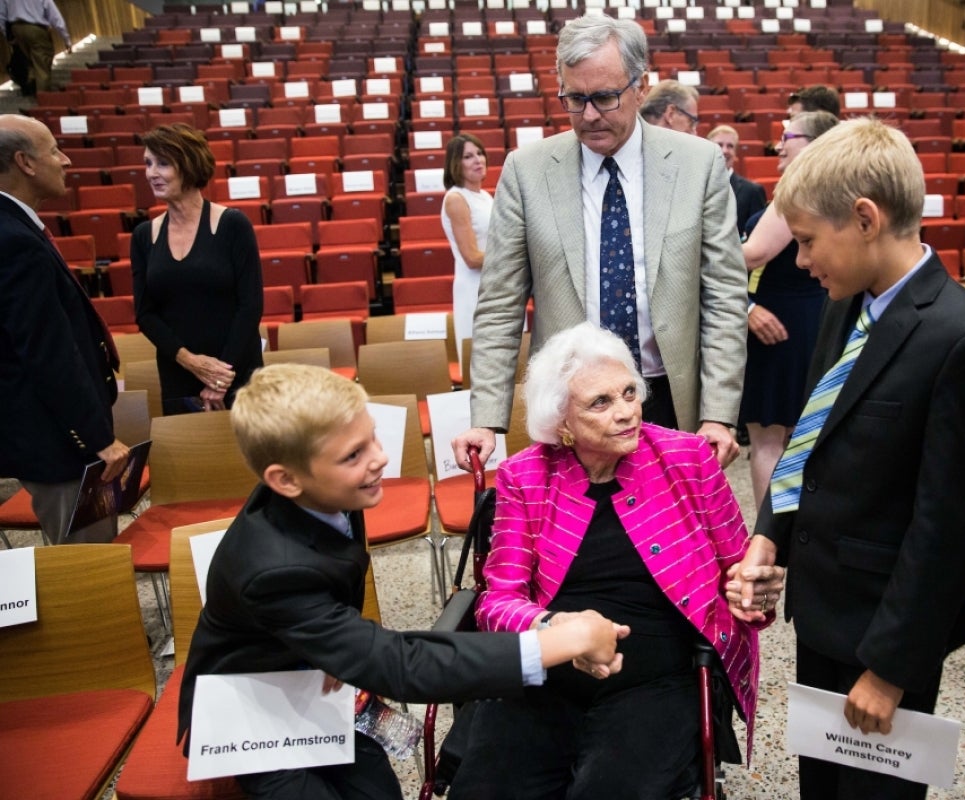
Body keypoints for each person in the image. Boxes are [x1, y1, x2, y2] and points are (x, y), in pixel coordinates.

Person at [728, 118, 965, 799]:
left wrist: (890, 669)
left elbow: (947, 528)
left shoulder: (964, 341)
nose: (798, 262)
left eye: (805, 242)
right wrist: (770, 535)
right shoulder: (844, 305)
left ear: (864, 219)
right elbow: (811, 437)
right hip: (825, 608)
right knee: (823, 787)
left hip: (889, 633)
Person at [177, 363, 628, 798]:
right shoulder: (275, 568)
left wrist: (330, 649)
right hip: (249, 705)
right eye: (354, 454)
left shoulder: (329, 486)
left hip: (318, 670)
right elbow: (400, 664)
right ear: (286, 480)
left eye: (371, 437)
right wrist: (559, 641)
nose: (380, 459)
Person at [450, 322, 767, 799]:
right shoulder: (524, 475)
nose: (626, 413)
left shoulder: (688, 458)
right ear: (562, 424)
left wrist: (752, 590)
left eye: (629, 393)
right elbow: (497, 603)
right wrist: (559, 627)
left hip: (657, 679)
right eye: (601, 403)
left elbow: (738, 571)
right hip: (549, 669)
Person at [453, 15, 746, 470]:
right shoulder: (526, 171)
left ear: (640, 86)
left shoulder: (699, 164)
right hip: (572, 408)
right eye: (575, 99)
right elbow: (500, 305)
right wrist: (488, 420)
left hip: (669, 397)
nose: (589, 116)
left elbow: (724, 297)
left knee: (669, 538)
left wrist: (719, 414)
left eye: (605, 98)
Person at [0, 114, 128, 544]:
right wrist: (98, 439)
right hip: (62, 444)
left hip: (47, 437)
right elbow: (48, 352)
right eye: (54, 149)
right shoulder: (13, 240)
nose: (67, 160)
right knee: (89, 567)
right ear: (25, 162)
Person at [739, 110, 839, 510]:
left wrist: (698, 245)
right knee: (796, 433)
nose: (778, 144)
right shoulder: (825, 189)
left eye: (787, 135)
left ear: (812, 144)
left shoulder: (801, 192)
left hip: (783, 326)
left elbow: (753, 254)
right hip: (803, 317)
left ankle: (771, 535)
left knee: (768, 438)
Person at [131, 124, 263, 415]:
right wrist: (191, 362)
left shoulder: (233, 225)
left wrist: (219, 376)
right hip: (178, 373)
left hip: (236, 368)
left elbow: (250, 305)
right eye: (148, 163)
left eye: (163, 163)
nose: (151, 173)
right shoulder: (143, 235)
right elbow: (145, 313)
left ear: (189, 166)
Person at [440, 133, 493, 358]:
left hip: (494, 283)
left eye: (480, 153)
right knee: (480, 359)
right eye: (468, 156)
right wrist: (514, 254)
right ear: (456, 164)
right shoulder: (456, 199)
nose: (477, 160)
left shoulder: (484, 195)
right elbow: (471, 257)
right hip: (474, 288)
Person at [707, 124, 766, 238]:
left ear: (735, 153)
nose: (725, 150)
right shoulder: (697, 185)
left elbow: (758, 236)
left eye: (730, 146)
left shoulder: (752, 191)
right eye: (719, 145)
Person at [0, 0, 69, 95]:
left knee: (30, 59)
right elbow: (55, 16)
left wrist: (8, 35)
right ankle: (43, 98)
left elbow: (1, 14)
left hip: (16, 28)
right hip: (36, 28)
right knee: (42, 63)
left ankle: (31, 86)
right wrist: (66, 39)